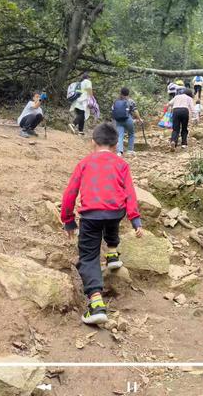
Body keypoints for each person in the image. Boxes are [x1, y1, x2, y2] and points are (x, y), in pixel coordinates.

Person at [60, 123, 144, 325]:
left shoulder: (85, 163)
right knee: (111, 219)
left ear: (92, 143)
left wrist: (68, 220)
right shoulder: (122, 164)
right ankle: (113, 253)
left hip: (90, 215)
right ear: (116, 145)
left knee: (88, 257)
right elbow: (130, 193)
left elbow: (70, 193)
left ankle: (96, 304)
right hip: (116, 212)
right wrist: (135, 220)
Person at [112, 87, 143, 157]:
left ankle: (119, 152)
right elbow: (135, 111)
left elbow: (113, 111)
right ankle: (130, 150)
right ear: (128, 93)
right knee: (131, 134)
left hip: (118, 120)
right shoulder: (130, 101)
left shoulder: (116, 101)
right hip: (128, 119)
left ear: (121, 93)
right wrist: (139, 119)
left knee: (120, 135)